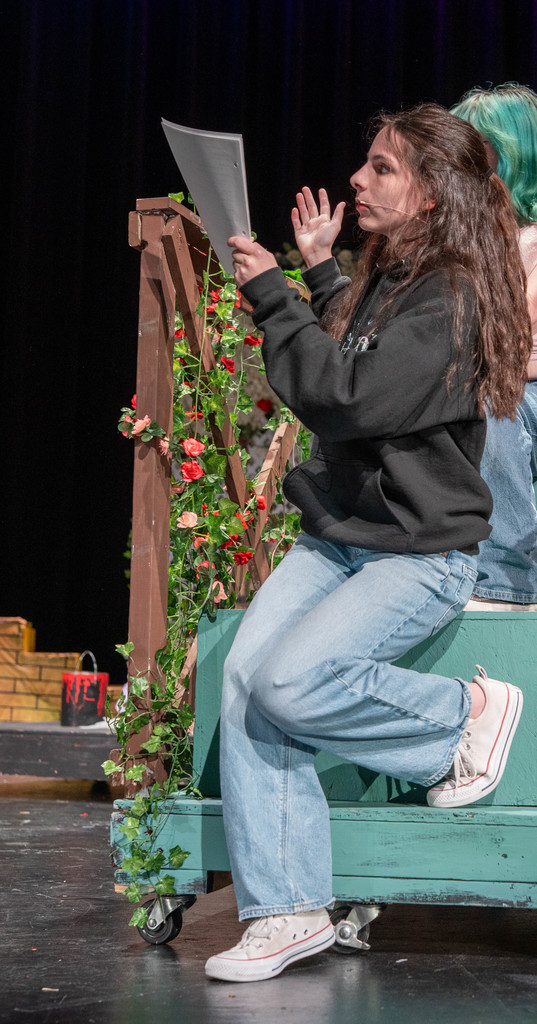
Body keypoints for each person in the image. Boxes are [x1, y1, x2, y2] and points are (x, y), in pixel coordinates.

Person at [204, 103, 531, 984]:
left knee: (287, 681)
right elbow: (357, 351)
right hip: (342, 536)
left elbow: (348, 397)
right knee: (244, 681)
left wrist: (272, 294)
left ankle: (459, 717)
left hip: (417, 552)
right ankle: (286, 910)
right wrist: (317, 271)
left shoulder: (453, 294)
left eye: (383, 167)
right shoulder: (395, 273)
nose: (357, 178)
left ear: (432, 195)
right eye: (367, 161)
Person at [451, 83, 537, 605]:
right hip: (477, 376)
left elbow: (515, 347)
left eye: (475, 148)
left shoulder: (532, 241)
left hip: (524, 389)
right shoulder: (462, 238)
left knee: (491, 406)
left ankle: (508, 578)